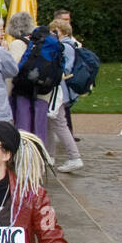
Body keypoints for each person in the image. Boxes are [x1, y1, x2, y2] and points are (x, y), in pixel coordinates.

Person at [6, 11, 54, 145]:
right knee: (40, 128)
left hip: (23, 90)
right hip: (43, 91)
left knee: (24, 128)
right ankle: (40, 156)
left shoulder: (18, 44)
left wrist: (7, 93)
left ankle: (26, 159)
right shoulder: (43, 42)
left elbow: (13, 70)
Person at [46, 19, 83, 173]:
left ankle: (74, 157)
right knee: (51, 121)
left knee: (59, 123)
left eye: (56, 31)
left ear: (63, 32)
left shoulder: (65, 47)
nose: (53, 34)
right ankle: (49, 155)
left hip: (58, 92)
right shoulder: (69, 45)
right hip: (59, 91)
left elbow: (64, 68)